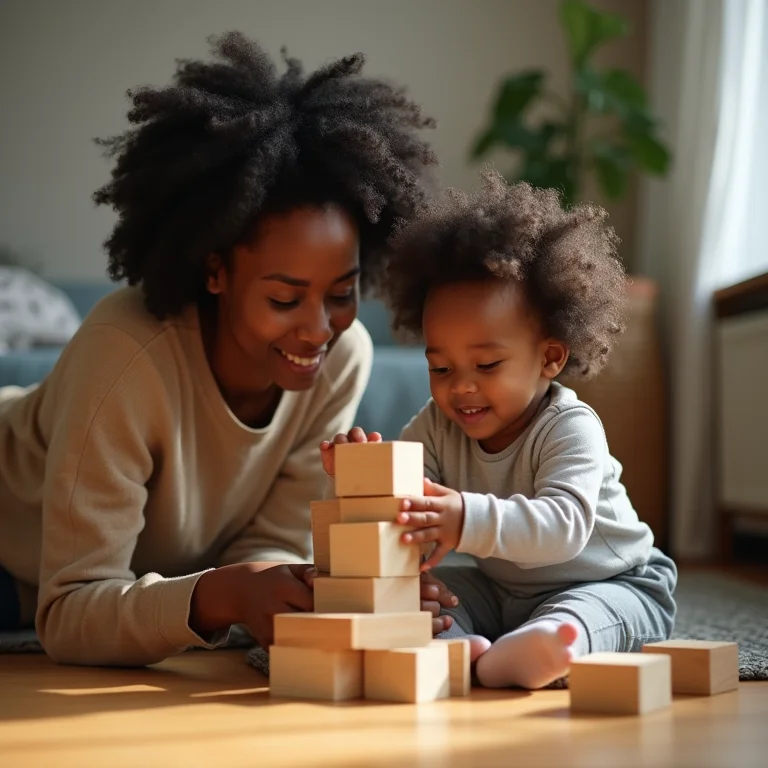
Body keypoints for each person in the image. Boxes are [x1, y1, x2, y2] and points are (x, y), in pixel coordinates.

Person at [0, 31, 458, 667]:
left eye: (341, 293)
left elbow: (266, 549)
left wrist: (311, 588)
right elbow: (71, 610)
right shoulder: (125, 354)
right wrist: (224, 595)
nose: (318, 329)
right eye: (284, 298)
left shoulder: (342, 356)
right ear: (215, 272)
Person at [321, 169, 677, 690]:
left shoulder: (570, 427)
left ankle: (546, 645)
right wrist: (357, 479)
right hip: (502, 589)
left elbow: (564, 527)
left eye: (486, 365)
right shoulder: (436, 425)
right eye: (441, 367)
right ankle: (458, 644)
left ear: (550, 358)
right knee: (432, 594)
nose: (461, 387)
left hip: (612, 580)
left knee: (587, 614)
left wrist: (464, 518)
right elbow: (404, 517)